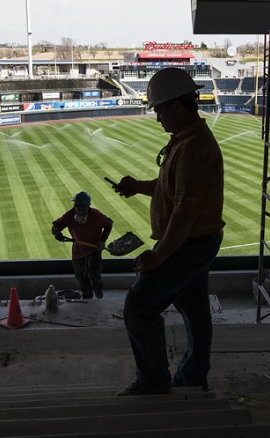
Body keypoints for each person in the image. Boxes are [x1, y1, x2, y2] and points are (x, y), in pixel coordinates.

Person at [113, 67, 225, 396]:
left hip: (188, 244)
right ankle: (192, 377)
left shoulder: (193, 148)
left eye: (159, 109)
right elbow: (170, 189)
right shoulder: (186, 139)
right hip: (194, 243)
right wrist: (138, 186)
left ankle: (153, 382)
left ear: (177, 107)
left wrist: (157, 257)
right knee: (194, 310)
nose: (157, 117)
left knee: (139, 306)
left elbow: (185, 214)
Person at [51, 191, 113, 299]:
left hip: (94, 248)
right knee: (80, 275)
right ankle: (87, 293)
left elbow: (109, 224)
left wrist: (102, 240)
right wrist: (57, 233)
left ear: (88, 207)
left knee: (93, 271)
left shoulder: (96, 215)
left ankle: (97, 288)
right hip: (78, 249)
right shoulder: (70, 215)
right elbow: (55, 226)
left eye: (82, 208)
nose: (79, 210)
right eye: (76, 206)